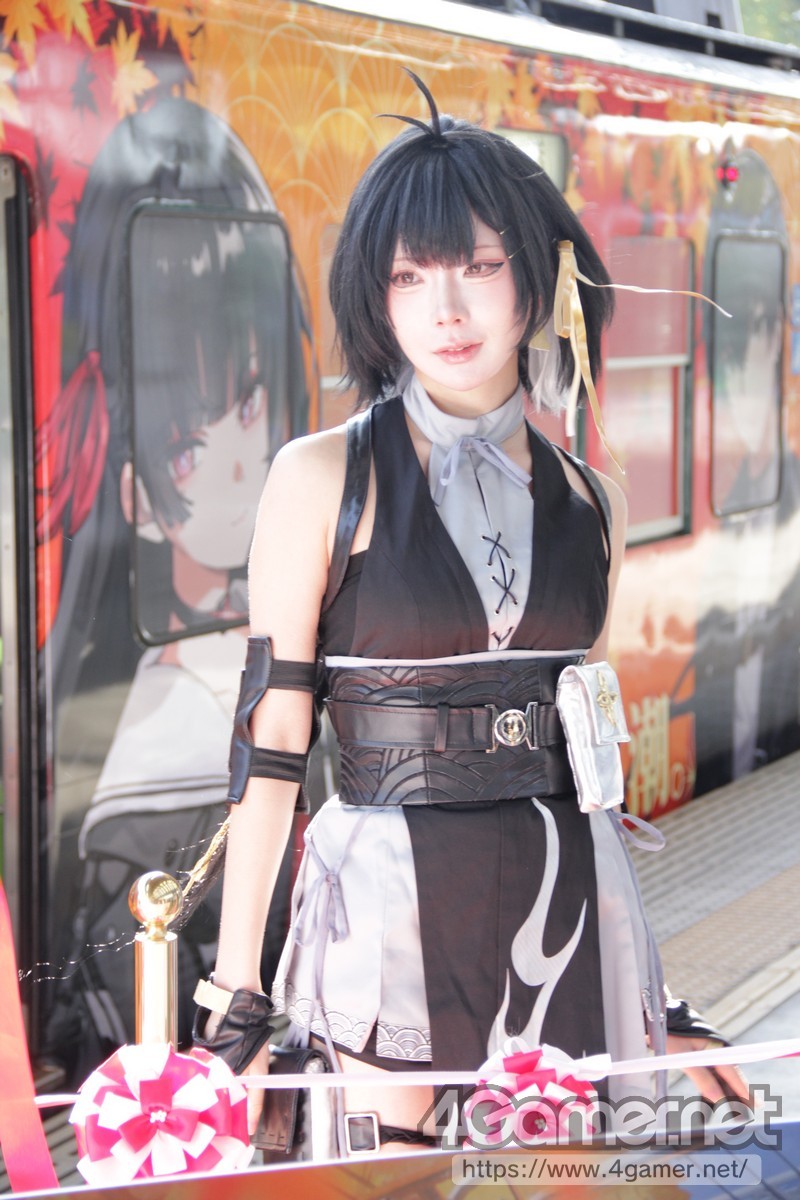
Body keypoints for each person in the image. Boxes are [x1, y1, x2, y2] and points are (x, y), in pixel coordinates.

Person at [194, 75, 747, 1151]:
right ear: (377, 297)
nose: (443, 311)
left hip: (562, 887)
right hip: (385, 892)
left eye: (478, 268)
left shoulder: (593, 499)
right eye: (408, 277)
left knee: (558, 1173)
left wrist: (651, 984)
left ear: (535, 280)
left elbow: (588, 756)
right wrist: (238, 985)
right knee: (391, 1174)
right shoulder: (321, 479)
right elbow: (272, 739)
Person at [38, 98, 311, 1078]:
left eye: (254, 398)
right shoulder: (147, 763)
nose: (246, 450)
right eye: (193, 433)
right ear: (134, 498)